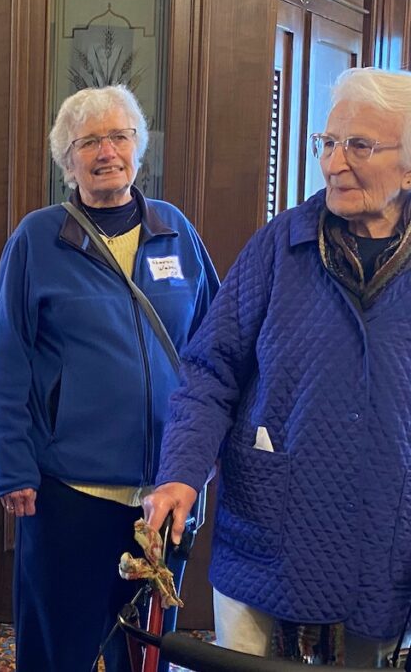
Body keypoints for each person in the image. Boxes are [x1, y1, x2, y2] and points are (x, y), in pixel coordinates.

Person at [145, 66, 411, 667]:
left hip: (387, 548)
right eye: (328, 142)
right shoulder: (279, 246)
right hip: (270, 538)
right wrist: (183, 473)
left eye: (360, 146)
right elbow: (210, 371)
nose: (334, 162)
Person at [0, 85, 219, 671]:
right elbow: (6, 358)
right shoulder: (39, 238)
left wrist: (206, 459)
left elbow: (216, 350)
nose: (106, 151)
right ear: (67, 160)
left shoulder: (176, 232)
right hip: (71, 491)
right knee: (62, 644)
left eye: (120, 136)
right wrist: (12, 465)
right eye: (88, 141)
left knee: (147, 649)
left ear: (139, 148)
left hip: (165, 494)